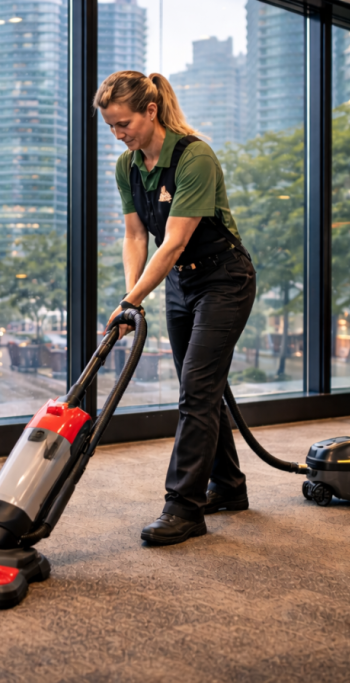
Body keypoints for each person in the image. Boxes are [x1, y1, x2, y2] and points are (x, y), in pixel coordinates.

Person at [94, 71, 257, 546]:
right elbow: (135, 236)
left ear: (150, 111)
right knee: (201, 387)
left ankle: (183, 508)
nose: (118, 134)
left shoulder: (194, 156)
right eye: (110, 127)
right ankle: (227, 485)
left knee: (196, 391)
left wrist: (131, 300)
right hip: (181, 285)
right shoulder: (127, 167)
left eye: (123, 123)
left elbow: (174, 241)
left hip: (224, 278)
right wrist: (132, 302)